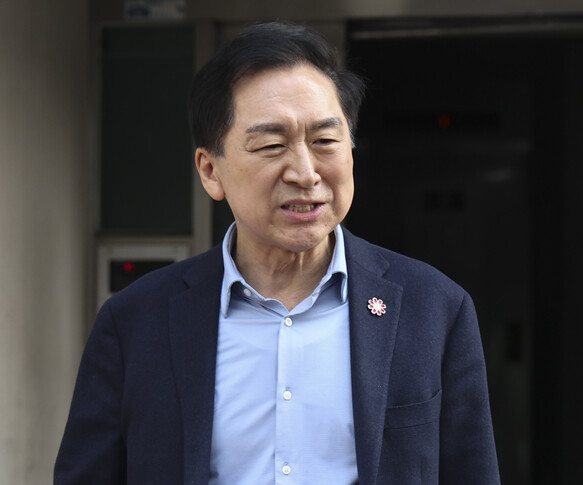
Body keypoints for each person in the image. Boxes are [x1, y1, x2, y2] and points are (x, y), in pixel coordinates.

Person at [54, 21, 500, 485]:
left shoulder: (434, 309)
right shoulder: (134, 322)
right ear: (210, 171)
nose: (305, 173)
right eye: (271, 145)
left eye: (325, 141)